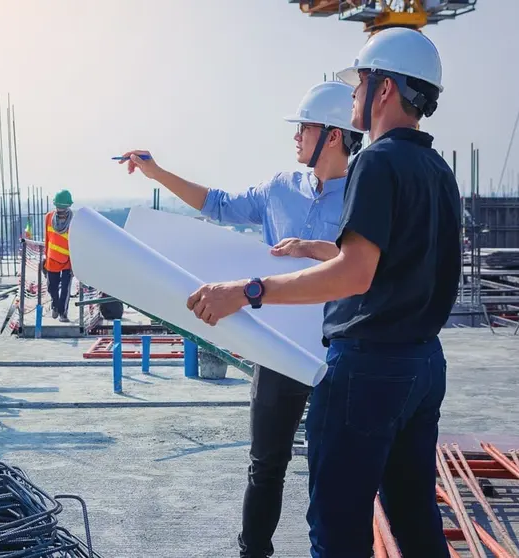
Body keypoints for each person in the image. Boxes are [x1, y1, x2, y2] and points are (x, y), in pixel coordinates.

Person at [185, 28, 459, 557]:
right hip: (424, 366)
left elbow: (356, 276)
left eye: (359, 84)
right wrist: (322, 249)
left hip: (368, 369)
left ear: (384, 89)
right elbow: (404, 267)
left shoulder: (375, 162)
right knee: (414, 519)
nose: (354, 96)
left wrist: (248, 290)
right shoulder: (436, 169)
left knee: (337, 528)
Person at [120, 80, 363, 558]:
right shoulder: (278, 190)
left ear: (333, 136)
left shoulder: (364, 194)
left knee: (333, 468)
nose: (295, 137)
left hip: (341, 350)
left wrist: (319, 250)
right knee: (265, 465)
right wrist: (157, 173)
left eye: (304, 128)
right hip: (278, 349)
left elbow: (376, 263)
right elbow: (218, 204)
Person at [43, 190, 75, 323]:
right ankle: (55, 305)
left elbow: (76, 242)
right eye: (58, 208)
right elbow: (47, 238)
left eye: (62, 208)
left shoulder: (74, 220)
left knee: (66, 289)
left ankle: (63, 313)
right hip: (52, 258)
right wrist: (45, 257)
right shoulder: (49, 217)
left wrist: (75, 263)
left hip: (68, 260)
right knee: (52, 287)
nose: (60, 211)